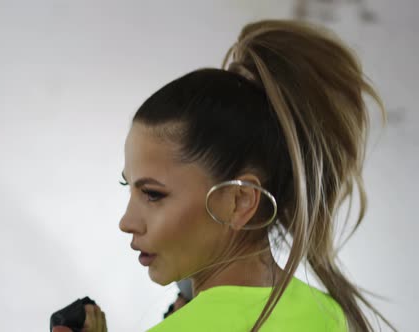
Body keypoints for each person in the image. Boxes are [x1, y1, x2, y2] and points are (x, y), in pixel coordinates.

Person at [54, 19, 395, 331]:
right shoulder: (328, 314)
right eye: (129, 187)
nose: (127, 221)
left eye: (153, 194)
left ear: (239, 200)